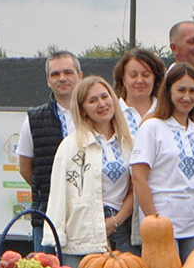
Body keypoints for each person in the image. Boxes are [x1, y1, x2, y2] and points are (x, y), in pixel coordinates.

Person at [130, 62, 194, 260]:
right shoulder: (152, 127)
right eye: (181, 89)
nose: (187, 97)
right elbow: (138, 177)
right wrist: (155, 222)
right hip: (164, 223)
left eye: (192, 91)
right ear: (168, 91)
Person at [44, 76, 137, 258]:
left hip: (121, 224)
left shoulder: (130, 142)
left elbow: (137, 187)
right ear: (83, 110)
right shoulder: (70, 146)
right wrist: (54, 236)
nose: (101, 104)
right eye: (92, 101)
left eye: (105, 97)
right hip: (82, 230)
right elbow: (58, 195)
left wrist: (116, 221)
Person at [16, 50, 82, 250]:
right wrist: (53, 191)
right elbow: (26, 168)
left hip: (87, 218)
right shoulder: (34, 119)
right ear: (48, 80)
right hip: (47, 219)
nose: (62, 78)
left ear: (80, 76)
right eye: (55, 74)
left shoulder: (96, 115)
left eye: (68, 72)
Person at [113, 47, 164, 130]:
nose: (140, 80)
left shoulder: (166, 112)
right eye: (133, 75)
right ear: (123, 79)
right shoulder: (113, 113)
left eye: (146, 75)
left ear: (155, 78)